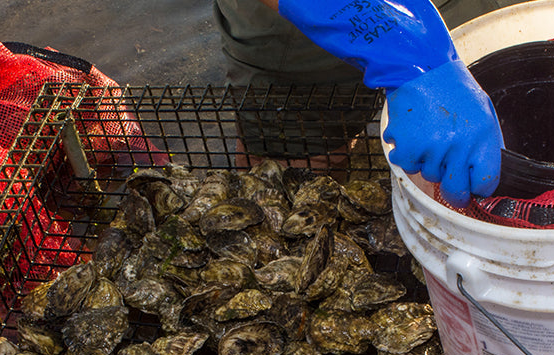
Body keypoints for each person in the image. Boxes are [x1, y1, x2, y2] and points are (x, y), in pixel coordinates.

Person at [214, 0, 521, 207]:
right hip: (298, 20)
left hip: (450, 8)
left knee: (504, 120)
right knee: (290, 186)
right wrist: (405, 53)